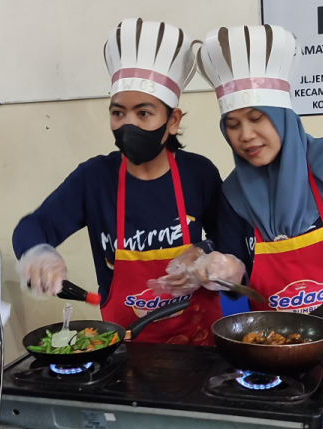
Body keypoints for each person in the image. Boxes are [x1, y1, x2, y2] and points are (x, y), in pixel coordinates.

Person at [154, 25, 323, 356]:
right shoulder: (233, 193)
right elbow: (237, 273)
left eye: (258, 118)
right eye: (232, 125)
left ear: (284, 116)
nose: (245, 135)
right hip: (280, 353)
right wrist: (223, 268)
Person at [13, 18, 225, 346]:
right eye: (118, 113)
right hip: (127, 348)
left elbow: (230, 239)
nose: (128, 125)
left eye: (143, 113)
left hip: (201, 349)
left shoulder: (199, 174)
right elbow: (34, 226)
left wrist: (206, 252)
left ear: (172, 120)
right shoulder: (95, 179)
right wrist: (39, 256)